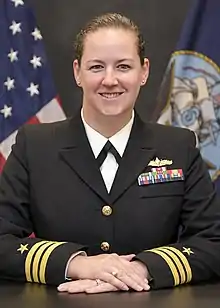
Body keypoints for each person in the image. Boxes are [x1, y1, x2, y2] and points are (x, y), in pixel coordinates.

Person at [0, 12, 220, 295]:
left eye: (124, 66)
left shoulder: (178, 147)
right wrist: (79, 264)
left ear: (144, 71)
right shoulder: (35, 145)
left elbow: (213, 240)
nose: (110, 79)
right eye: (96, 67)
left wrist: (141, 269)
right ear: (77, 72)